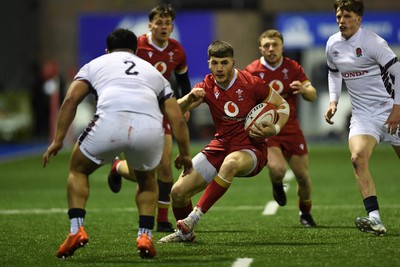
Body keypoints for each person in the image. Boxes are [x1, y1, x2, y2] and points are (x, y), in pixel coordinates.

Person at [42, 28, 192, 259]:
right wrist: (184, 154)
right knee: (147, 180)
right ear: (136, 50)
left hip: (109, 124)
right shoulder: (153, 72)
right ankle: (145, 235)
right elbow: (177, 119)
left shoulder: (96, 64)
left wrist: (58, 140)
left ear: (107, 49)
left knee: (78, 169)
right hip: (149, 128)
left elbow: (71, 100)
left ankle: (76, 229)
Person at [157, 40, 290, 243]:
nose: (219, 68)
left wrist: (276, 128)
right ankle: (186, 235)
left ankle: (192, 219)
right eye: (215, 63)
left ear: (233, 63)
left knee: (231, 163)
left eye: (224, 63)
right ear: (209, 63)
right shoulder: (207, 85)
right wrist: (190, 97)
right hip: (221, 145)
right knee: (177, 192)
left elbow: (282, 105)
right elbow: (175, 112)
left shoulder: (250, 83)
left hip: (251, 149)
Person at [107, 4, 192, 233]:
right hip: (134, 109)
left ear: (172, 26)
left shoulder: (177, 50)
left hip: (160, 109)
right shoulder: (136, 46)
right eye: (159, 23)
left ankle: (162, 220)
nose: (163, 27)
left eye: (167, 23)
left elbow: (183, 82)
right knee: (142, 172)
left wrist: (185, 104)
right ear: (150, 25)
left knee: (164, 166)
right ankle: (117, 167)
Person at [324, 0, 400, 236]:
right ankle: (374, 218)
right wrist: (334, 101)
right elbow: (334, 72)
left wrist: (397, 108)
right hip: (363, 115)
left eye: (347, 16)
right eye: (338, 16)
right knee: (358, 158)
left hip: (390, 110)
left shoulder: (373, 42)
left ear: (359, 18)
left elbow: (399, 73)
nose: (341, 21)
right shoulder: (332, 43)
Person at [245, 29, 318, 227]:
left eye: (274, 45)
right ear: (260, 48)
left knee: (303, 177)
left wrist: (304, 90)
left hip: (291, 127)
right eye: (266, 45)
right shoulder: (252, 71)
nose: (271, 49)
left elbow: (312, 94)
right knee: (278, 170)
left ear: (282, 47)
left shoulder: (293, 67)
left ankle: (305, 214)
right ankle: (277, 184)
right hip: (267, 128)